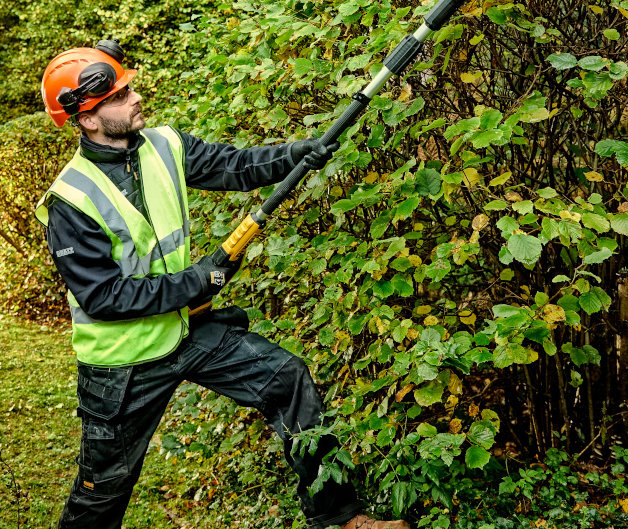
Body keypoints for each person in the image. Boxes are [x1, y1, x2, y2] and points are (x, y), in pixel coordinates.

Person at [35, 40, 410, 529]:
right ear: (87, 117)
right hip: (123, 365)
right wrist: (198, 280)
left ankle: (339, 517)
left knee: (286, 380)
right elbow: (103, 298)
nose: (136, 97)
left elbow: (234, 166)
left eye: (130, 88)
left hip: (186, 330)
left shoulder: (164, 146)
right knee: (102, 491)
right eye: (121, 96)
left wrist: (297, 154)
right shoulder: (71, 198)